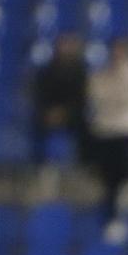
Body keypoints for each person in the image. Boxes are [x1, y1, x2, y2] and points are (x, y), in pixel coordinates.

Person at [88, 39, 128, 236]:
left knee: (124, 171)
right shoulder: (100, 74)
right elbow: (96, 96)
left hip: (127, 129)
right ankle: (111, 214)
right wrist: (115, 97)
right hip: (105, 129)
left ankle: (123, 211)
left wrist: (115, 96)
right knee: (107, 175)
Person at [30, 33, 90, 176]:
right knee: (39, 126)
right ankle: (43, 166)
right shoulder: (46, 72)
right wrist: (51, 111)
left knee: (88, 129)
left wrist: (65, 111)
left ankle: (83, 166)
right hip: (49, 113)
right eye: (62, 45)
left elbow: (82, 97)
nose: (65, 49)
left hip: (74, 114)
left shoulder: (81, 72)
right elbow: (41, 95)